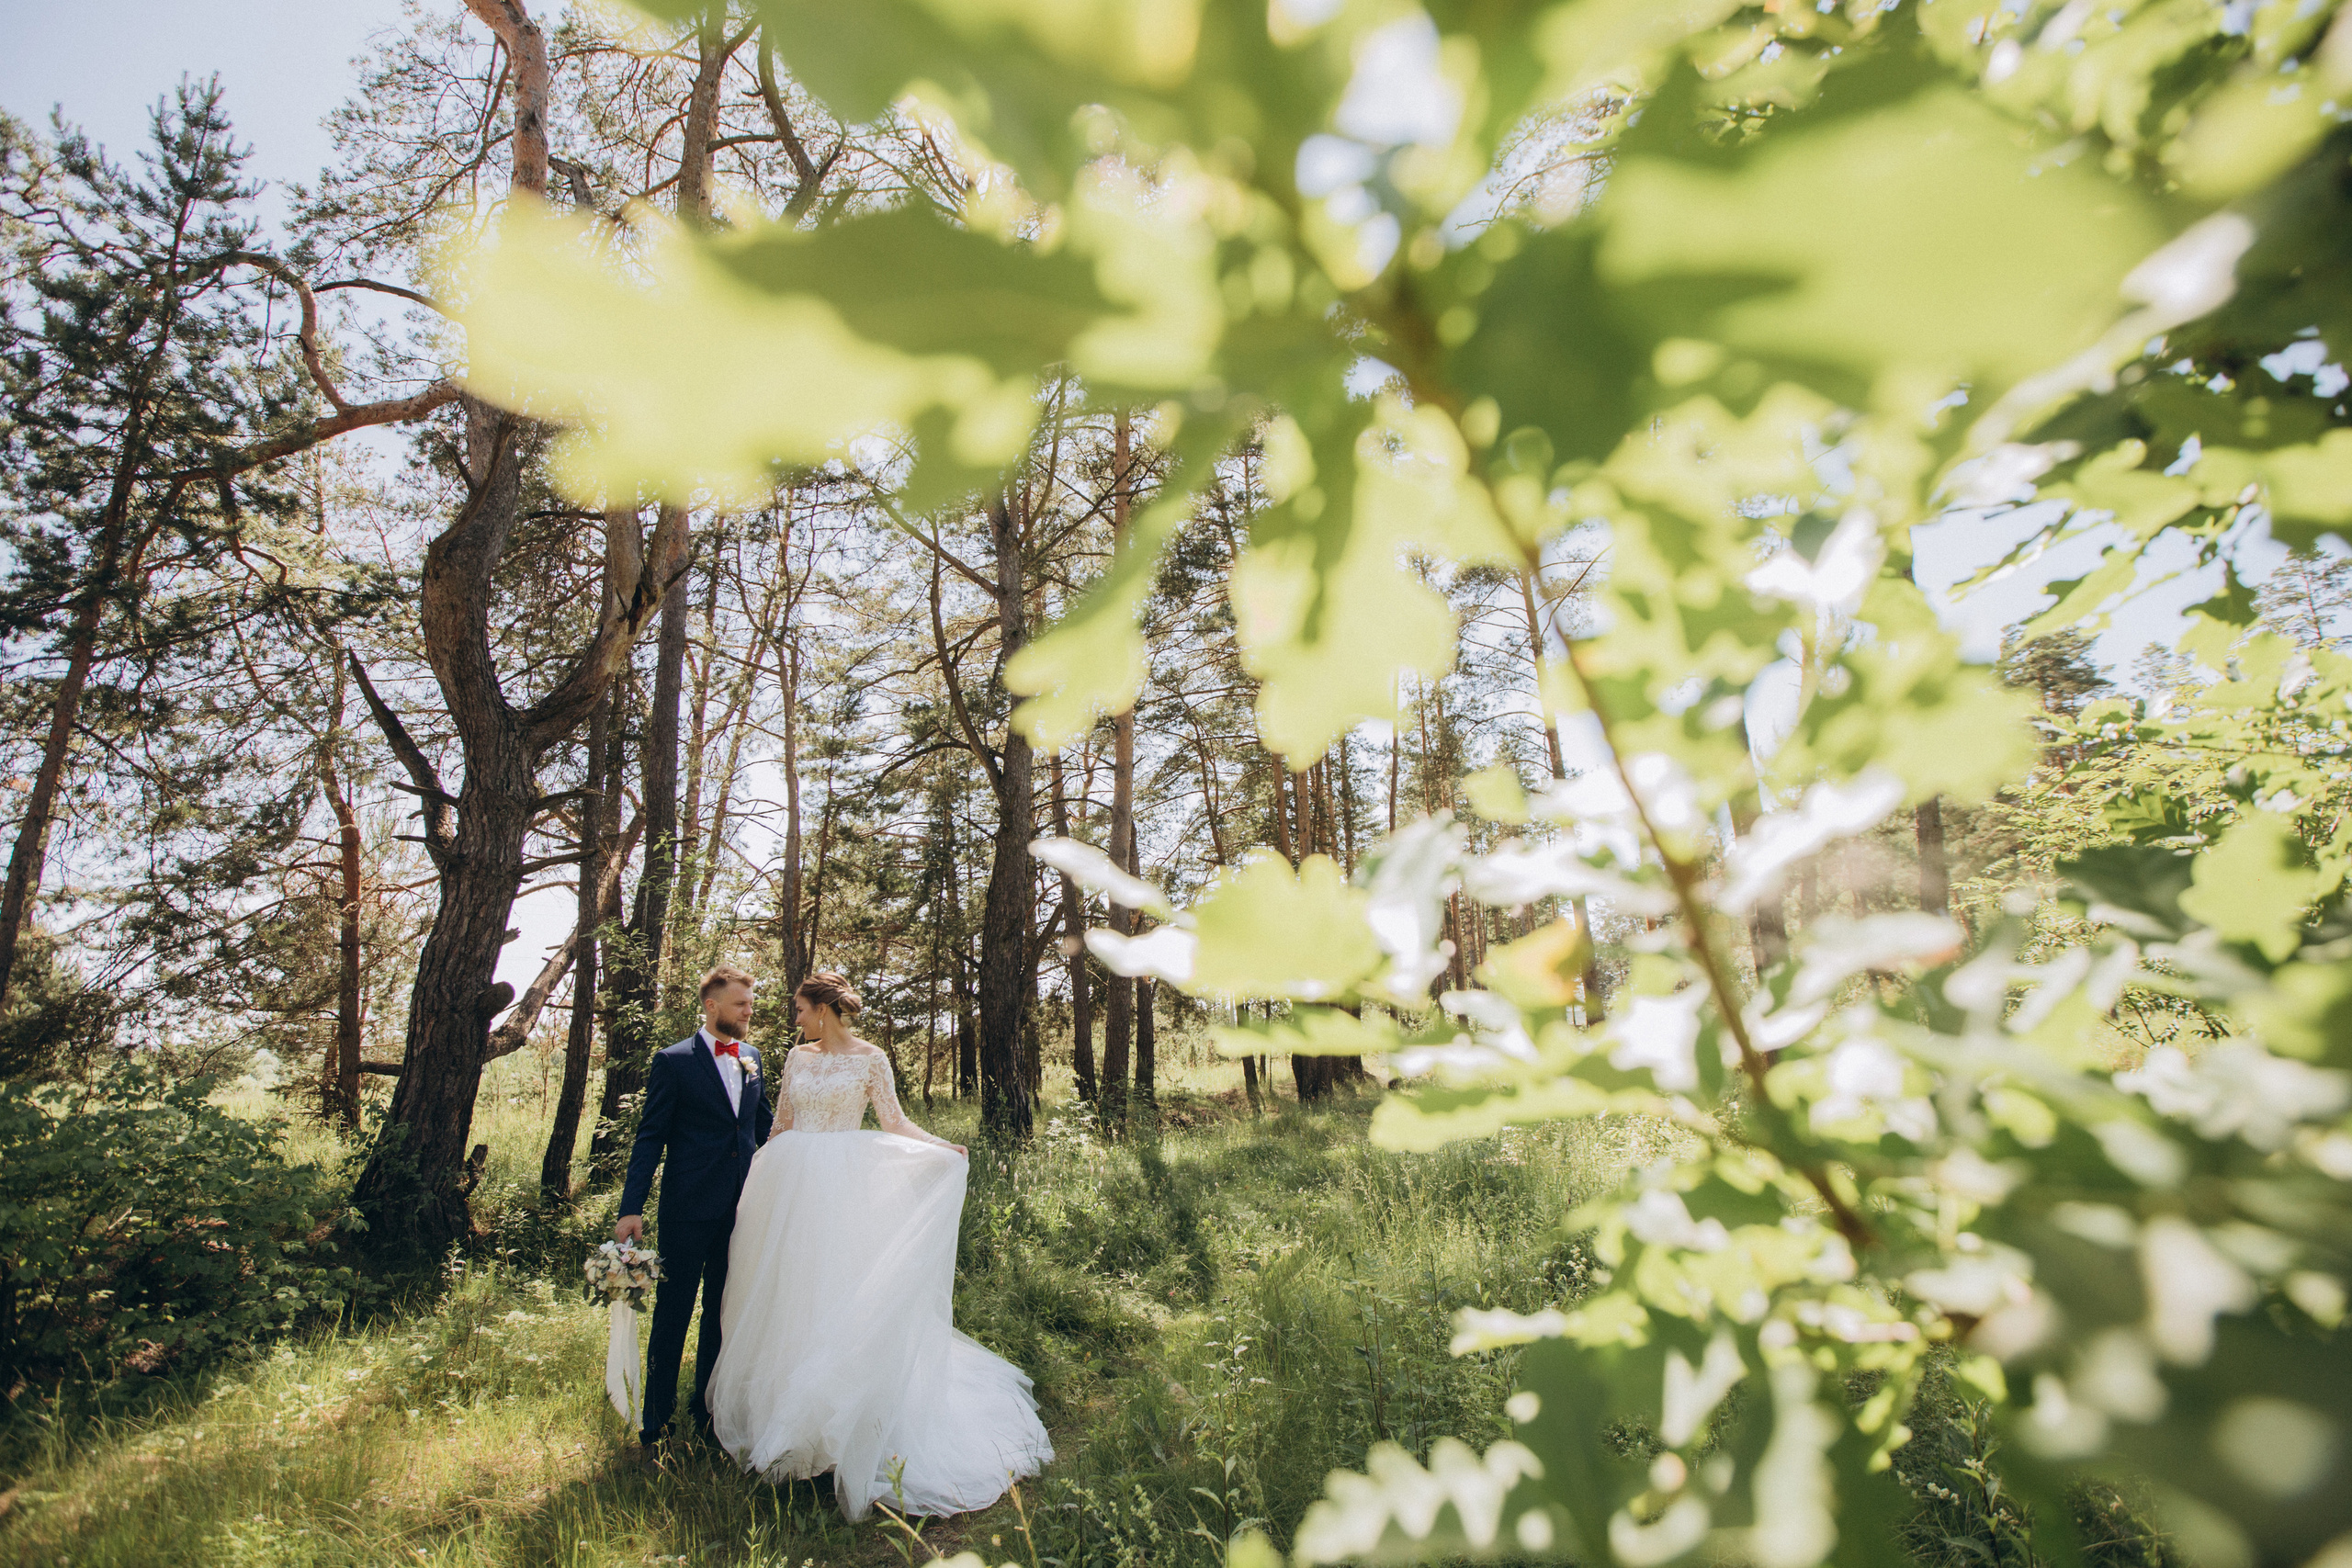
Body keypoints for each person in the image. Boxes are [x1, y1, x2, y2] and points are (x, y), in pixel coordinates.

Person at [706, 971, 1053, 1520]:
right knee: (793, 1295)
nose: (793, 1019)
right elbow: (780, 1126)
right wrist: (754, 1178)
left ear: (823, 1009)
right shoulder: (797, 1059)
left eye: (800, 1009)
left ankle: (845, 1426)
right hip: (792, 1187)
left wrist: (943, 1147)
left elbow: (894, 1121)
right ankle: (791, 1422)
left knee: (842, 1295)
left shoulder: (871, 1058)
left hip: (844, 1187)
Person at [615, 964, 772, 1450]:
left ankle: (707, 1416)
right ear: (712, 1006)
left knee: (722, 1314)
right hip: (687, 1207)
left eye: (750, 1003)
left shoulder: (753, 1058)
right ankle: (655, 1424)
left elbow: (764, 1129)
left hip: (741, 1209)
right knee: (674, 1312)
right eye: (741, 1004)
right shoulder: (673, 1060)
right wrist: (631, 1206)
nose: (749, 1012)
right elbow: (650, 1137)